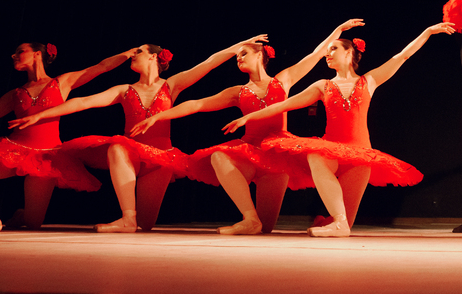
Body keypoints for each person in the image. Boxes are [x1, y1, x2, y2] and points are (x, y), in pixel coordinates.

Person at [7, 35, 269, 233]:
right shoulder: (124, 89)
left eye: (139, 52)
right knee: (117, 147)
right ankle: (126, 217)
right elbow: (84, 101)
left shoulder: (171, 85)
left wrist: (237, 47)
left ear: (154, 57)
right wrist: (41, 114)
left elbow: (208, 64)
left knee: (147, 224)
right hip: (131, 154)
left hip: (160, 158)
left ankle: (25, 215)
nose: (133, 55)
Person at [130, 20, 363, 235]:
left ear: (260, 56)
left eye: (243, 54)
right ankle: (249, 217)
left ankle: (264, 220)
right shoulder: (237, 92)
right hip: (250, 152)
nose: (238, 58)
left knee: (268, 228)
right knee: (219, 157)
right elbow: (197, 104)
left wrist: (338, 31)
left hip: (278, 157)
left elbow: (316, 54)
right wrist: (158, 117)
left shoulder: (283, 81)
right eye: (237, 55)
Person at [223, 22, 455, 237]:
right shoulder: (323, 86)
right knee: (316, 156)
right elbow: (284, 104)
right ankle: (339, 222)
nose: (328, 54)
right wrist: (249, 117)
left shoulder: (369, 81)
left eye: (333, 49)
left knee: (347, 221)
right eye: (327, 50)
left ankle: (339, 222)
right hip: (331, 151)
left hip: (359, 155)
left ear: (349, 53)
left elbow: (402, 56)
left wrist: (428, 32)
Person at [0, 43, 135, 231]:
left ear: (37, 54)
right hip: (14, 150)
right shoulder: (15, 94)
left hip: (47, 158)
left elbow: (101, 67)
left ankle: (22, 215)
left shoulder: (61, 83)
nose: (13, 56)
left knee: (33, 223)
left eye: (20, 52)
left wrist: (127, 54)